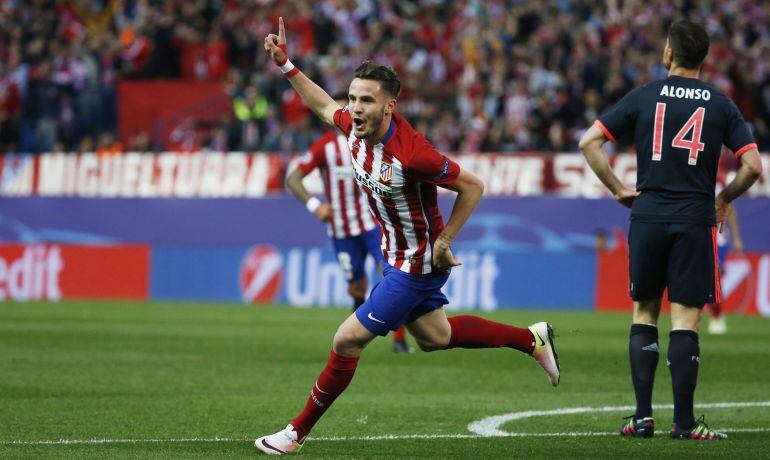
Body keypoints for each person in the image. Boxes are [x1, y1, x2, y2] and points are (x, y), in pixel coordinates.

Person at [256, 18, 561, 455]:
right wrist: (286, 65)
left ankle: (296, 433)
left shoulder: (413, 154)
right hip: (391, 254)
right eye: (354, 99)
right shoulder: (352, 128)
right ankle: (531, 340)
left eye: (368, 101)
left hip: (415, 265)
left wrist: (445, 240)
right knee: (434, 337)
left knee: (346, 340)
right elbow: (323, 105)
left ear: (390, 106)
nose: (356, 108)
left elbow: (472, 186)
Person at [579, 20, 762, 440]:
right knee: (686, 320)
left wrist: (619, 189)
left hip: (647, 214)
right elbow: (753, 166)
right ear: (704, 58)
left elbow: (589, 141)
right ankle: (683, 423)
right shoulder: (720, 104)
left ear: (669, 54)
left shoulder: (644, 96)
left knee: (644, 312)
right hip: (695, 219)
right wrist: (724, 198)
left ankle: (642, 417)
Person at [285, 95, 414, 353]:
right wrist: (315, 205)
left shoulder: (372, 141)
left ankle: (400, 340)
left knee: (391, 276)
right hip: (342, 231)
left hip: (371, 226)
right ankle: (358, 334)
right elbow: (294, 178)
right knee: (357, 286)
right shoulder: (325, 147)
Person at [706, 206, 743, 334]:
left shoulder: (722, 185)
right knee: (703, 276)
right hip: (699, 232)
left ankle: (717, 315)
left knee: (716, 274)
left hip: (718, 235)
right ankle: (708, 312)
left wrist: (737, 238)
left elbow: (731, 211)